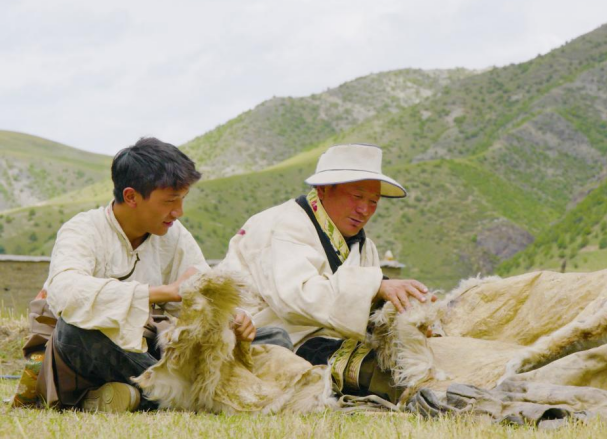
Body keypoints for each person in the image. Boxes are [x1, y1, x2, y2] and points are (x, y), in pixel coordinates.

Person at [34, 137, 290, 412]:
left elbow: (200, 292)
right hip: (93, 353)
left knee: (274, 336)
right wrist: (163, 293)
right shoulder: (82, 229)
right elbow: (66, 293)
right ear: (131, 196)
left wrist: (234, 320)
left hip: (149, 348)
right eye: (170, 201)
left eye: (182, 199)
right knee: (75, 329)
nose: (179, 212)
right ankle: (190, 396)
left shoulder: (174, 235)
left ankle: (143, 396)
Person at [219, 143, 434, 402]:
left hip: (326, 342)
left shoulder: (364, 246)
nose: (364, 210)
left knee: (409, 357)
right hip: (264, 338)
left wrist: (405, 314)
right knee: (379, 374)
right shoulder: (282, 225)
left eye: (373, 202)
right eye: (357, 197)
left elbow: (363, 309)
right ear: (323, 190)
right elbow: (296, 297)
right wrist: (375, 287)